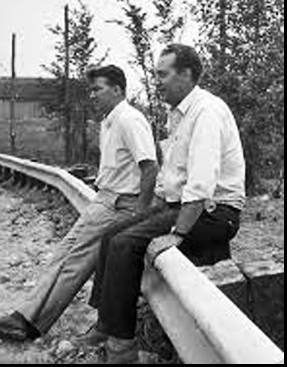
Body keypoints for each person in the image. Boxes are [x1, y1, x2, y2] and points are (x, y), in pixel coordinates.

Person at [83, 44, 246, 364]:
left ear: (186, 74)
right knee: (112, 235)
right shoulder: (178, 113)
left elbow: (200, 183)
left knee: (125, 244)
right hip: (185, 206)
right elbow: (174, 175)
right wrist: (151, 211)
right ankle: (105, 324)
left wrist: (178, 234)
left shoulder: (206, 111)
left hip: (215, 213)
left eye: (163, 74)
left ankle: (122, 346)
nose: (156, 81)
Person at [0, 65, 159, 342]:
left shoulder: (129, 119)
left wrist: (139, 215)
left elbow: (150, 167)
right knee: (64, 255)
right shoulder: (111, 120)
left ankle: (26, 322)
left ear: (118, 89)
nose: (92, 95)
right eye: (92, 89)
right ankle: (26, 318)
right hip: (105, 199)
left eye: (97, 89)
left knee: (73, 261)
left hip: (120, 204)